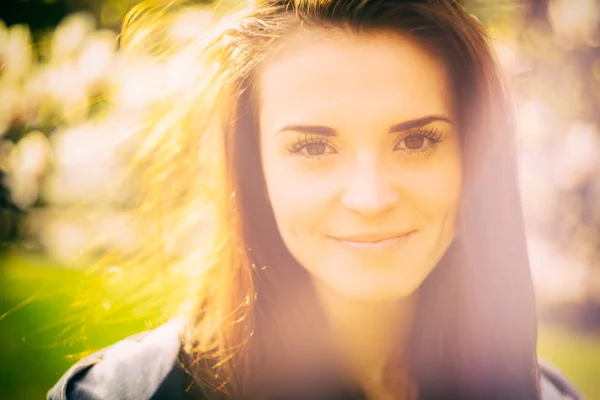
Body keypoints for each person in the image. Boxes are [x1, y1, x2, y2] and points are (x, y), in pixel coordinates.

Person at [48, 0, 583, 399]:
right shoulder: (122, 394)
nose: (370, 197)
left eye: (417, 140)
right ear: (253, 170)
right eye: (312, 146)